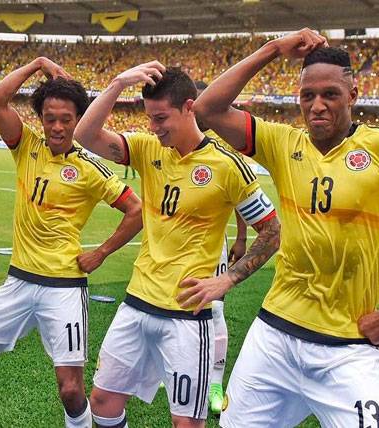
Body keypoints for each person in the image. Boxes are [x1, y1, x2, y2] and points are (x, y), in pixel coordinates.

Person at [193, 28, 379, 427]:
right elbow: (207, 109)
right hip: (273, 335)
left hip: (347, 347)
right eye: (308, 95)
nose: (317, 105)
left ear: (353, 96)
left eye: (330, 94)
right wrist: (273, 49)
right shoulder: (283, 143)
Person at [73, 65, 280, 428]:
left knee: (186, 423)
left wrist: (227, 280)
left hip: (188, 315)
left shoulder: (228, 166)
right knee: (102, 403)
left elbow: (273, 231)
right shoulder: (146, 149)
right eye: (150, 118)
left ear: (188, 107)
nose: (154, 127)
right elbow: (85, 134)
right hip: (137, 303)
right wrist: (120, 83)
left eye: (161, 118)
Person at [0, 57, 143, 428]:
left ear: (79, 120)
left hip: (63, 287)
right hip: (19, 282)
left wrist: (102, 253)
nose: (57, 127)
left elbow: (137, 210)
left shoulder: (91, 168)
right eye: (49, 118)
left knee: (71, 390)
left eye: (66, 119)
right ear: (40, 119)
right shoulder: (26, 145)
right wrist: (38, 63)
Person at [193, 80, 248, 415]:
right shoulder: (163, 148)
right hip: (170, 255)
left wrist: (241, 238)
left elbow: (242, 201)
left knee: (214, 312)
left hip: (212, 251)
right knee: (174, 307)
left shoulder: (223, 155)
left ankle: (215, 382)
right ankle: (173, 369)